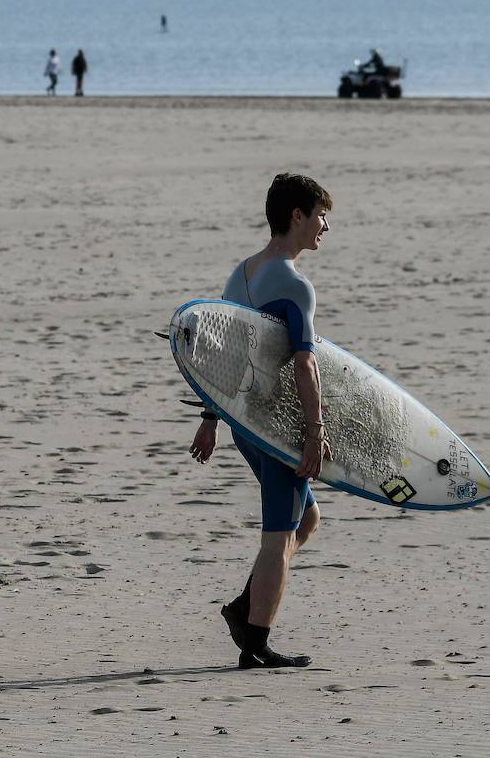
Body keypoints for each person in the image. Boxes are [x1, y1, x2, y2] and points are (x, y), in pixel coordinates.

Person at [188, 173, 334, 670]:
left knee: (306, 519)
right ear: (297, 216)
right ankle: (256, 644)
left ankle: (243, 610)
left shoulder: (242, 273)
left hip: (241, 419)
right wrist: (315, 434)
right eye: (319, 216)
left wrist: (211, 418)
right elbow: (305, 364)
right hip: (274, 427)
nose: (324, 226)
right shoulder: (296, 287)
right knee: (279, 532)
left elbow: (222, 353)